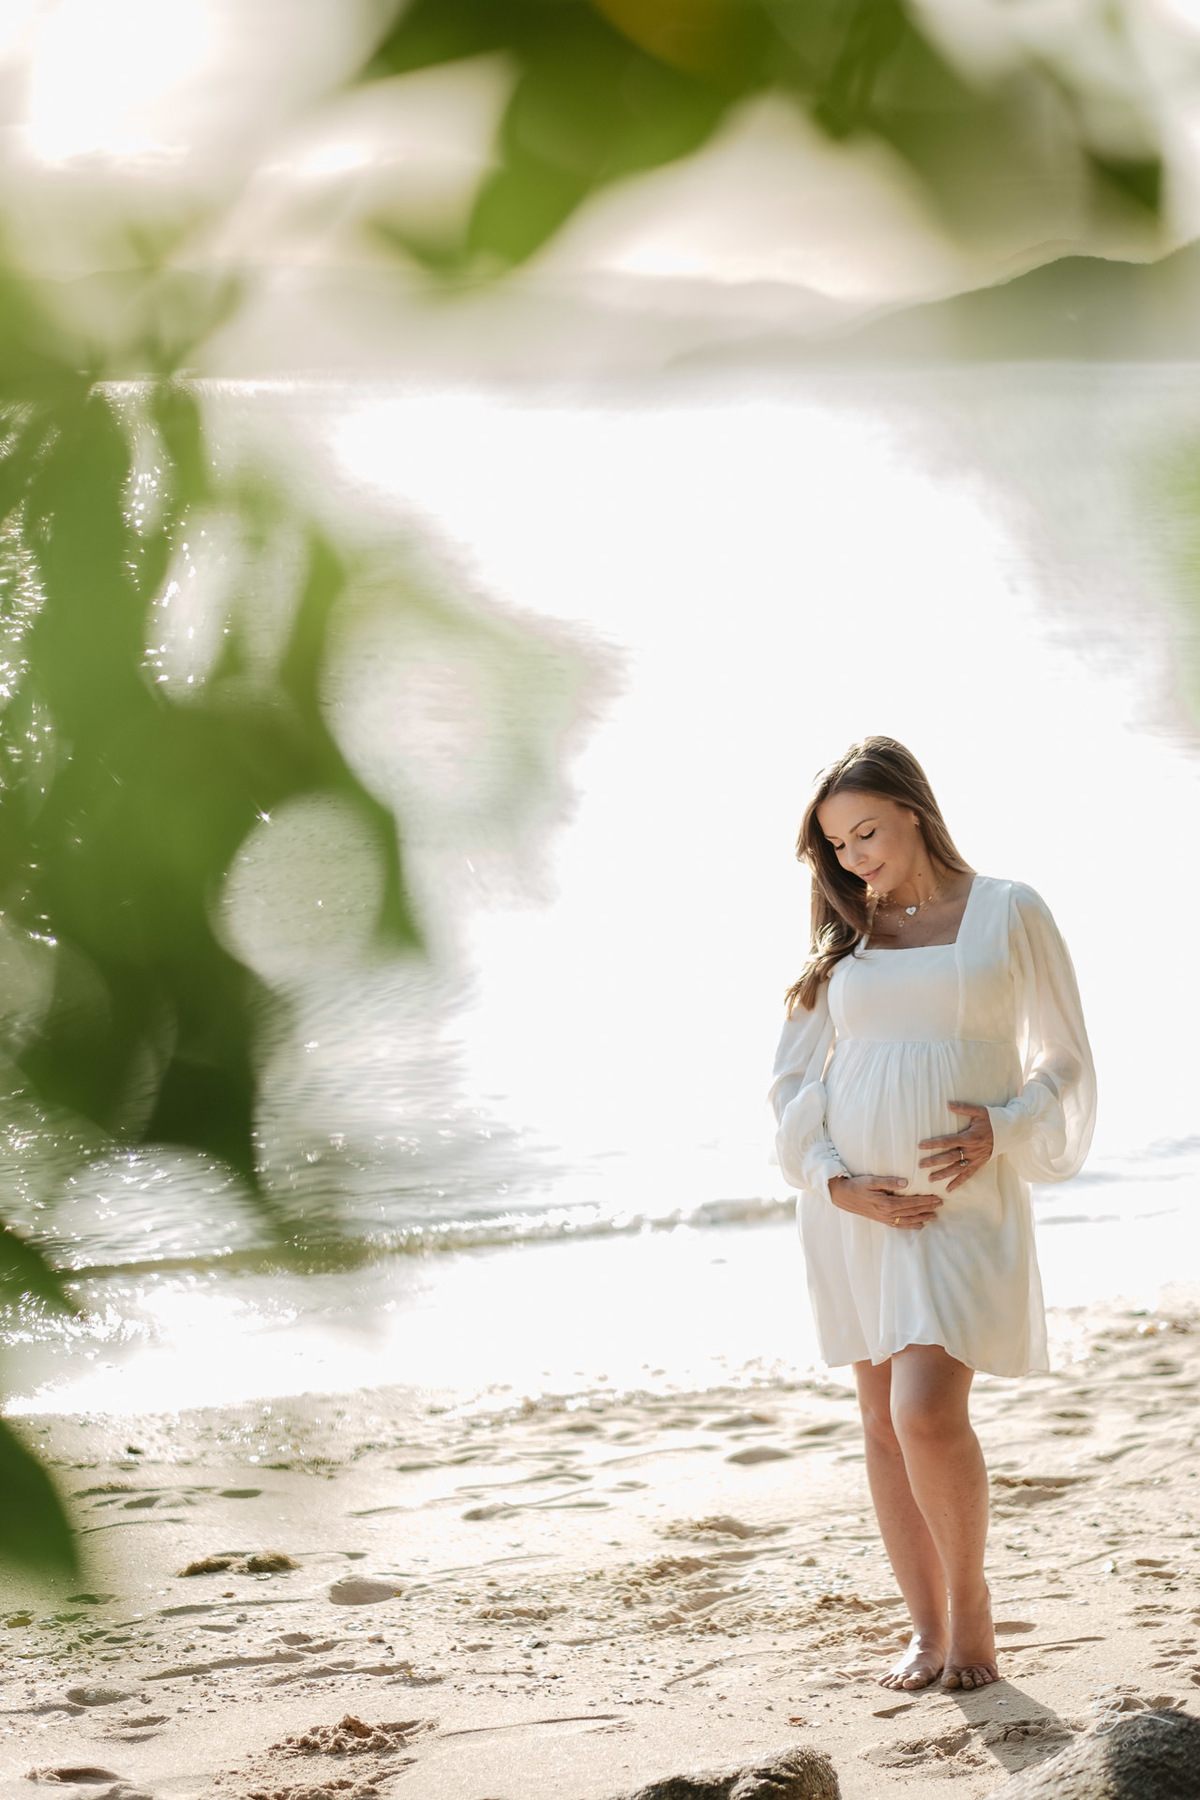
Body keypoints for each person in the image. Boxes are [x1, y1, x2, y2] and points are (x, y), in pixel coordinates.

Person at [768, 736, 1095, 1693]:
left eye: (867, 830)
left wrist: (1005, 1127)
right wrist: (834, 1181)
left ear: (913, 808)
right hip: (856, 1207)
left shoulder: (1007, 909)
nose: (855, 855)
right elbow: (792, 1081)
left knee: (924, 1412)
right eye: (836, 844)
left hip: (960, 1199)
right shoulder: (846, 939)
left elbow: (1066, 1057)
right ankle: (925, 1627)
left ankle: (972, 1608)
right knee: (879, 1418)